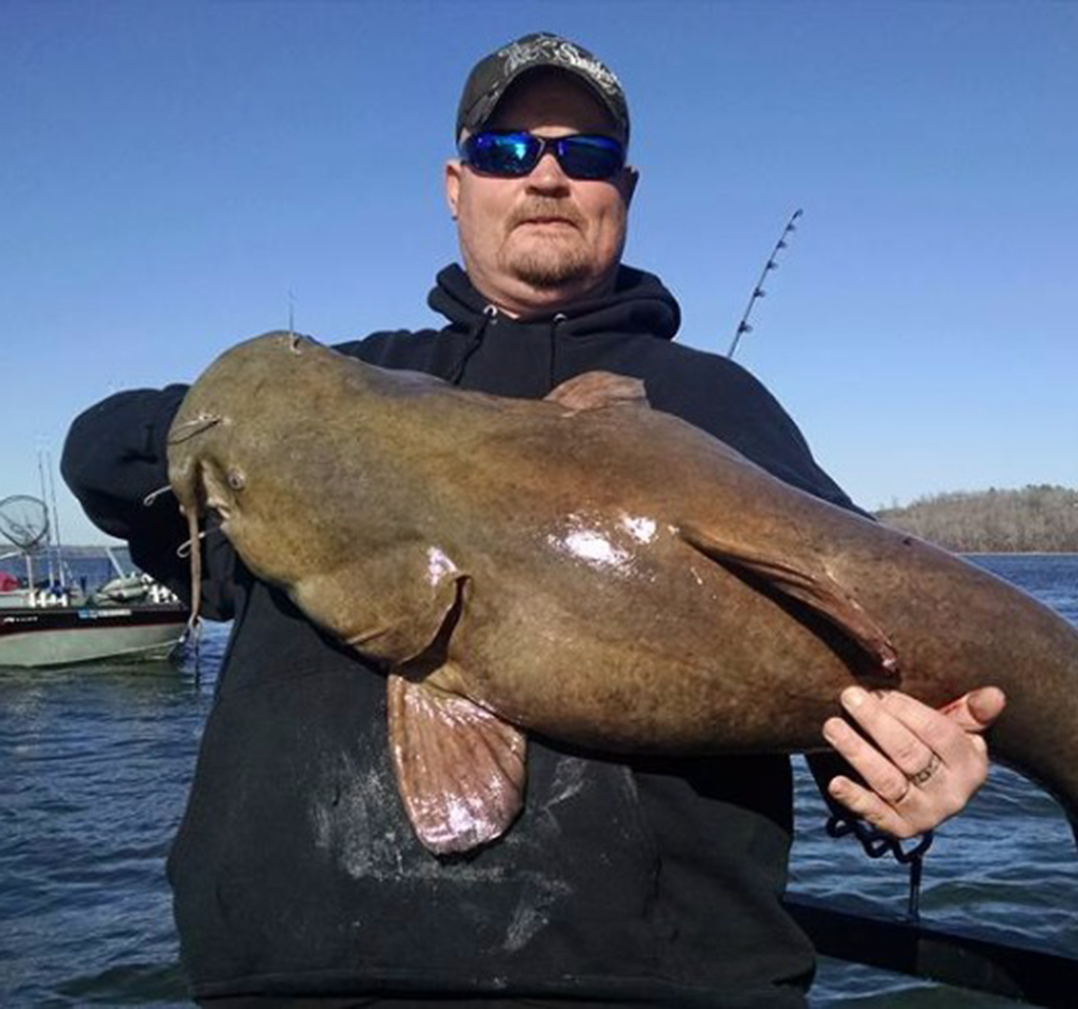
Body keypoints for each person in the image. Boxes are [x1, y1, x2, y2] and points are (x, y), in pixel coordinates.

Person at [62, 32, 1004, 1007]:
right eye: (508, 152)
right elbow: (100, 455)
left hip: (647, 989)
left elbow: (874, 646)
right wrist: (243, 413)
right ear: (455, 184)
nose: (547, 175)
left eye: (584, 156)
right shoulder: (337, 393)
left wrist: (904, 784)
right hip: (280, 982)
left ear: (623, 192)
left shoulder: (716, 406)